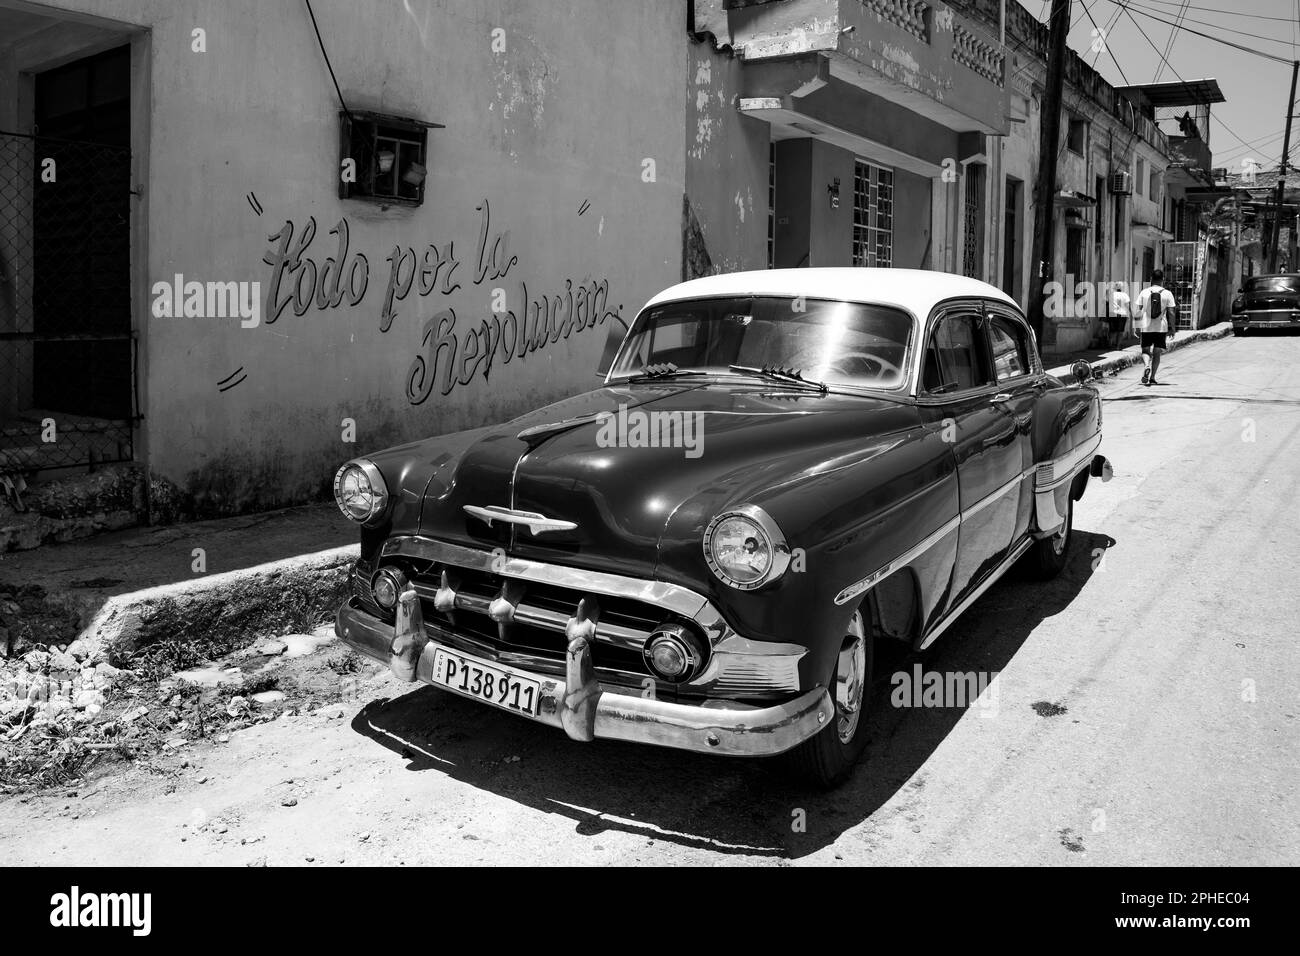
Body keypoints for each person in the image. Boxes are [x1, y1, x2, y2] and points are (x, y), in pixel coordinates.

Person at [1132, 269, 1177, 386]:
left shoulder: (1144, 292)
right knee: (1157, 352)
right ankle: (1152, 377)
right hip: (1161, 327)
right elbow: (1171, 312)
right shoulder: (1167, 293)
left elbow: (1138, 311)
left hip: (1146, 327)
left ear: (1151, 279)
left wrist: (1137, 326)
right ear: (1163, 280)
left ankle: (1146, 365)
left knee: (1145, 350)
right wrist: (1172, 328)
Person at [1108, 282, 1131, 349]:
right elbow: (1127, 305)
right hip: (1122, 314)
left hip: (1112, 313)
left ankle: (1110, 344)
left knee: (1112, 330)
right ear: (1122, 288)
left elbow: (1107, 302)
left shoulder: (1111, 294)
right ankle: (1118, 346)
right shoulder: (1125, 295)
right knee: (1120, 331)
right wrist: (1130, 313)